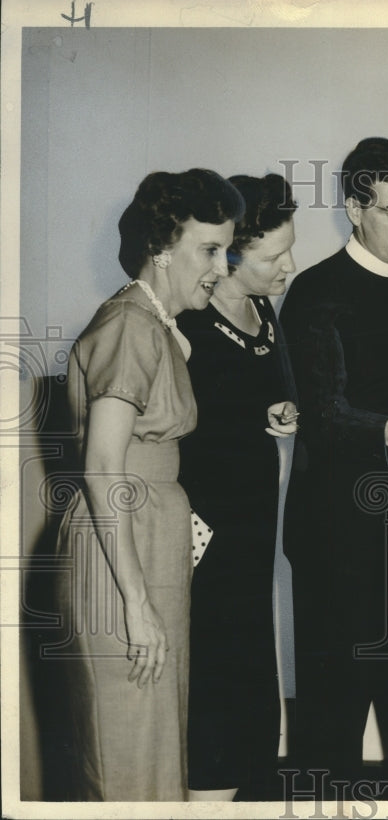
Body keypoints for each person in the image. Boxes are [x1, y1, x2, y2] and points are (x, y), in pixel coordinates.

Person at [53, 169, 243, 800]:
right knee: (129, 749)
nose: (222, 266)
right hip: (121, 556)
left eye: (227, 248)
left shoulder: (158, 325)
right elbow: (103, 467)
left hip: (147, 546)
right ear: (162, 249)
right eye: (209, 249)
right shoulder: (132, 324)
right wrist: (136, 604)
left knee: (155, 742)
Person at [279, 137, 388, 792]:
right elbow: (320, 415)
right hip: (338, 549)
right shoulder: (314, 291)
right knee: (330, 736)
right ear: (354, 210)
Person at [177, 173, 299, 801]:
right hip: (207, 536)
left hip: (256, 531)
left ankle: (245, 790)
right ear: (228, 256)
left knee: (253, 666)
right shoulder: (187, 325)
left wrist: (279, 412)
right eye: (273, 257)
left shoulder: (264, 310)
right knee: (215, 674)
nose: (288, 266)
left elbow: (263, 396)